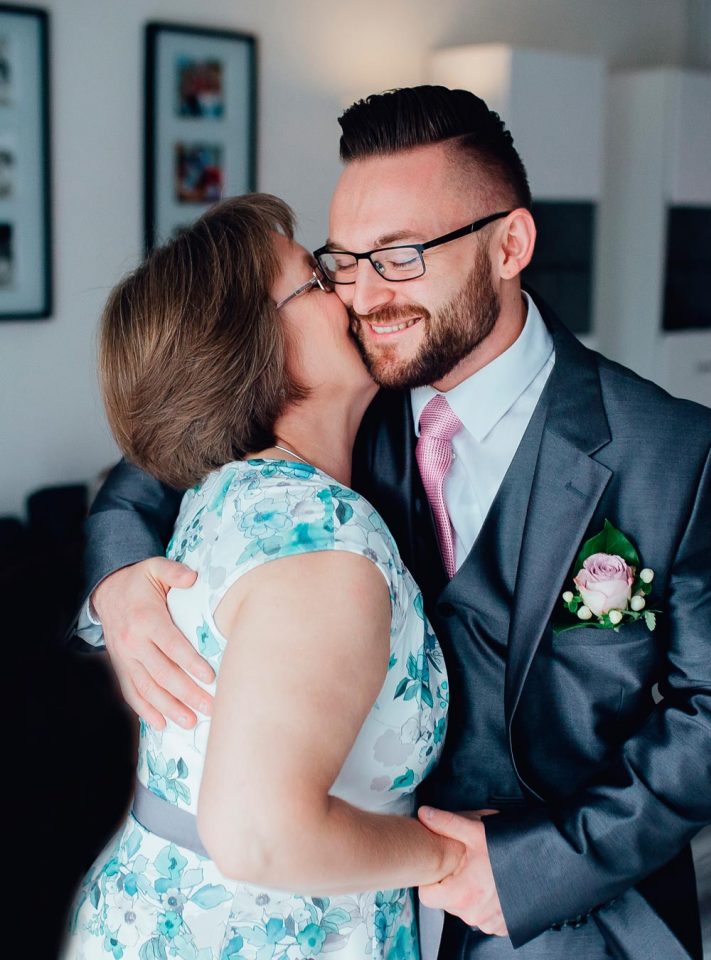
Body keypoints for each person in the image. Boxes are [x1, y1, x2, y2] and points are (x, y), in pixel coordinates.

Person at [77, 87, 711, 960]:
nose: (364, 294)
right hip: (331, 901)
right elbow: (168, 441)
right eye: (342, 261)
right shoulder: (337, 390)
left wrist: (534, 867)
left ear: (509, 244)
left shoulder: (670, 454)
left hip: (562, 909)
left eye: (399, 256)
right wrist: (119, 586)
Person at [64, 193, 461, 959]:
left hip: (156, 912)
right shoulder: (322, 552)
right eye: (316, 277)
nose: (347, 288)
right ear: (259, 347)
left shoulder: (224, 491)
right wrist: (444, 858)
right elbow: (261, 835)